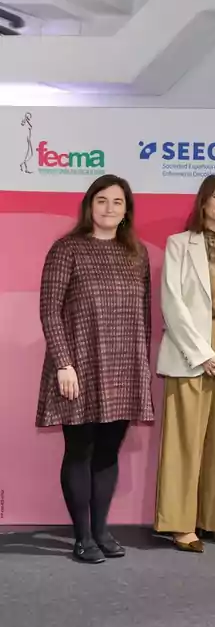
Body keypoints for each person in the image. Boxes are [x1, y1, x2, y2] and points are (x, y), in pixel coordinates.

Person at [36, 174, 155, 564]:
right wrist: (63, 364)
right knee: (80, 450)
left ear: (126, 211)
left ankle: (102, 530)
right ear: (90, 206)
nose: (108, 208)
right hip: (79, 366)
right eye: (101, 200)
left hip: (123, 367)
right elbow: (50, 310)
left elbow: (143, 316)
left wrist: (141, 366)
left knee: (108, 452)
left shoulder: (135, 254)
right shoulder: (67, 248)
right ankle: (82, 536)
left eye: (117, 202)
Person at [155, 175, 215, 553]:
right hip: (190, 352)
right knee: (185, 440)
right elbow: (172, 303)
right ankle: (180, 524)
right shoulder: (180, 244)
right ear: (203, 202)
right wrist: (203, 355)